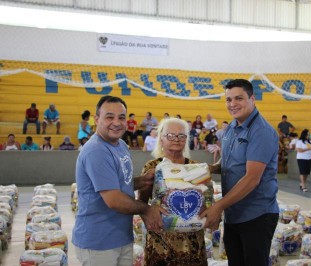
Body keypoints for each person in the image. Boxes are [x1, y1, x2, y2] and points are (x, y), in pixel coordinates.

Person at [72, 95, 165, 266]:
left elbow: (119, 183)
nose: (116, 122)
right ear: (97, 119)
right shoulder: (96, 151)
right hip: (99, 242)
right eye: (109, 117)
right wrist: (146, 209)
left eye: (121, 117)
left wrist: (143, 181)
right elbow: (114, 200)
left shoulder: (120, 144)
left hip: (121, 236)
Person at [200, 79, 279, 266]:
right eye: (228, 100)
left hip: (256, 215)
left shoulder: (261, 131)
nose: (232, 104)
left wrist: (218, 207)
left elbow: (252, 179)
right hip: (234, 212)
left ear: (252, 99)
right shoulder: (231, 129)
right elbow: (227, 162)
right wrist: (203, 171)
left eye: (238, 98)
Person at [138, 117, 211, 266]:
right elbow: (141, 202)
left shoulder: (197, 168)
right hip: (161, 245)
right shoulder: (152, 167)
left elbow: (206, 202)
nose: (176, 139)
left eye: (181, 135)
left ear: (187, 139)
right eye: (170, 135)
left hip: (193, 244)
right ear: (161, 139)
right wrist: (150, 218)